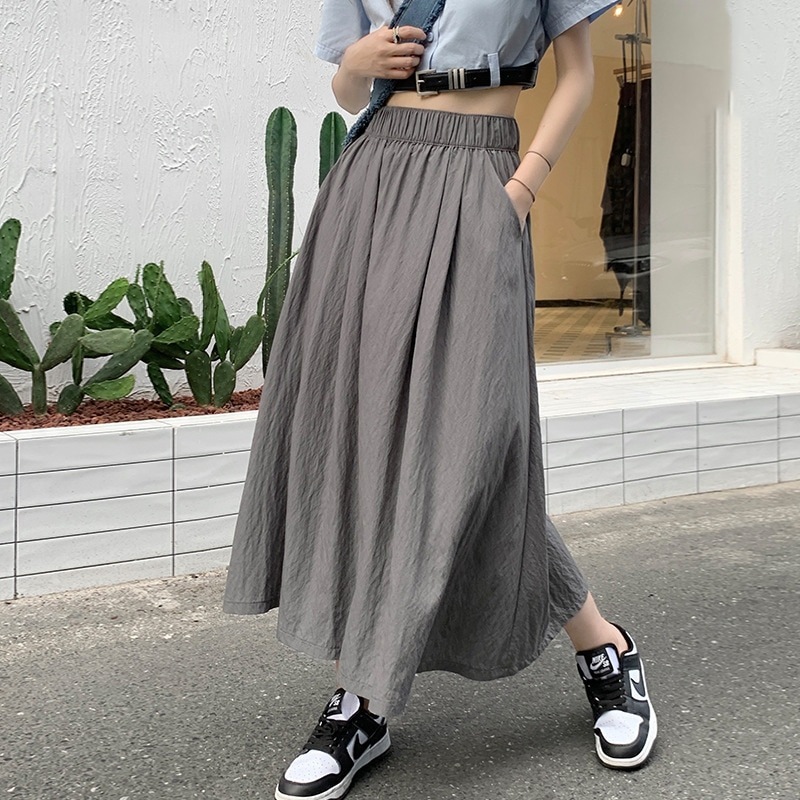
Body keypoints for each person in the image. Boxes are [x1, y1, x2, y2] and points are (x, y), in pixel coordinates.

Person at [223, 2, 658, 798]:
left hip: (481, 180)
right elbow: (348, 91)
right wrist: (356, 65)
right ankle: (361, 701)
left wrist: (520, 191)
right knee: (360, 431)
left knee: (473, 442)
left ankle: (604, 644)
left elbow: (578, 76)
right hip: (373, 182)